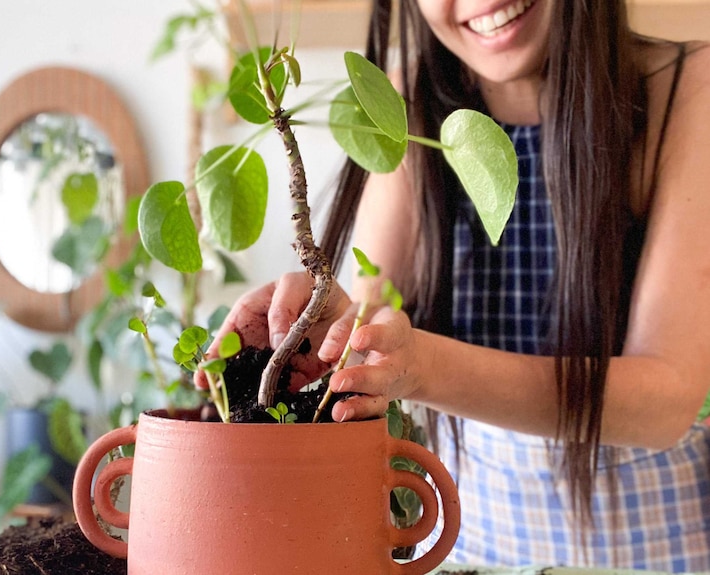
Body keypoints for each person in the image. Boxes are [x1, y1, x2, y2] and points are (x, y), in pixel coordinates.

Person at [200, 0, 710, 571]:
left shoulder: (690, 89)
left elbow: (666, 403)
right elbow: (372, 327)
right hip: (461, 542)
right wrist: (335, 327)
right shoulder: (406, 107)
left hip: (651, 545)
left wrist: (422, 366)